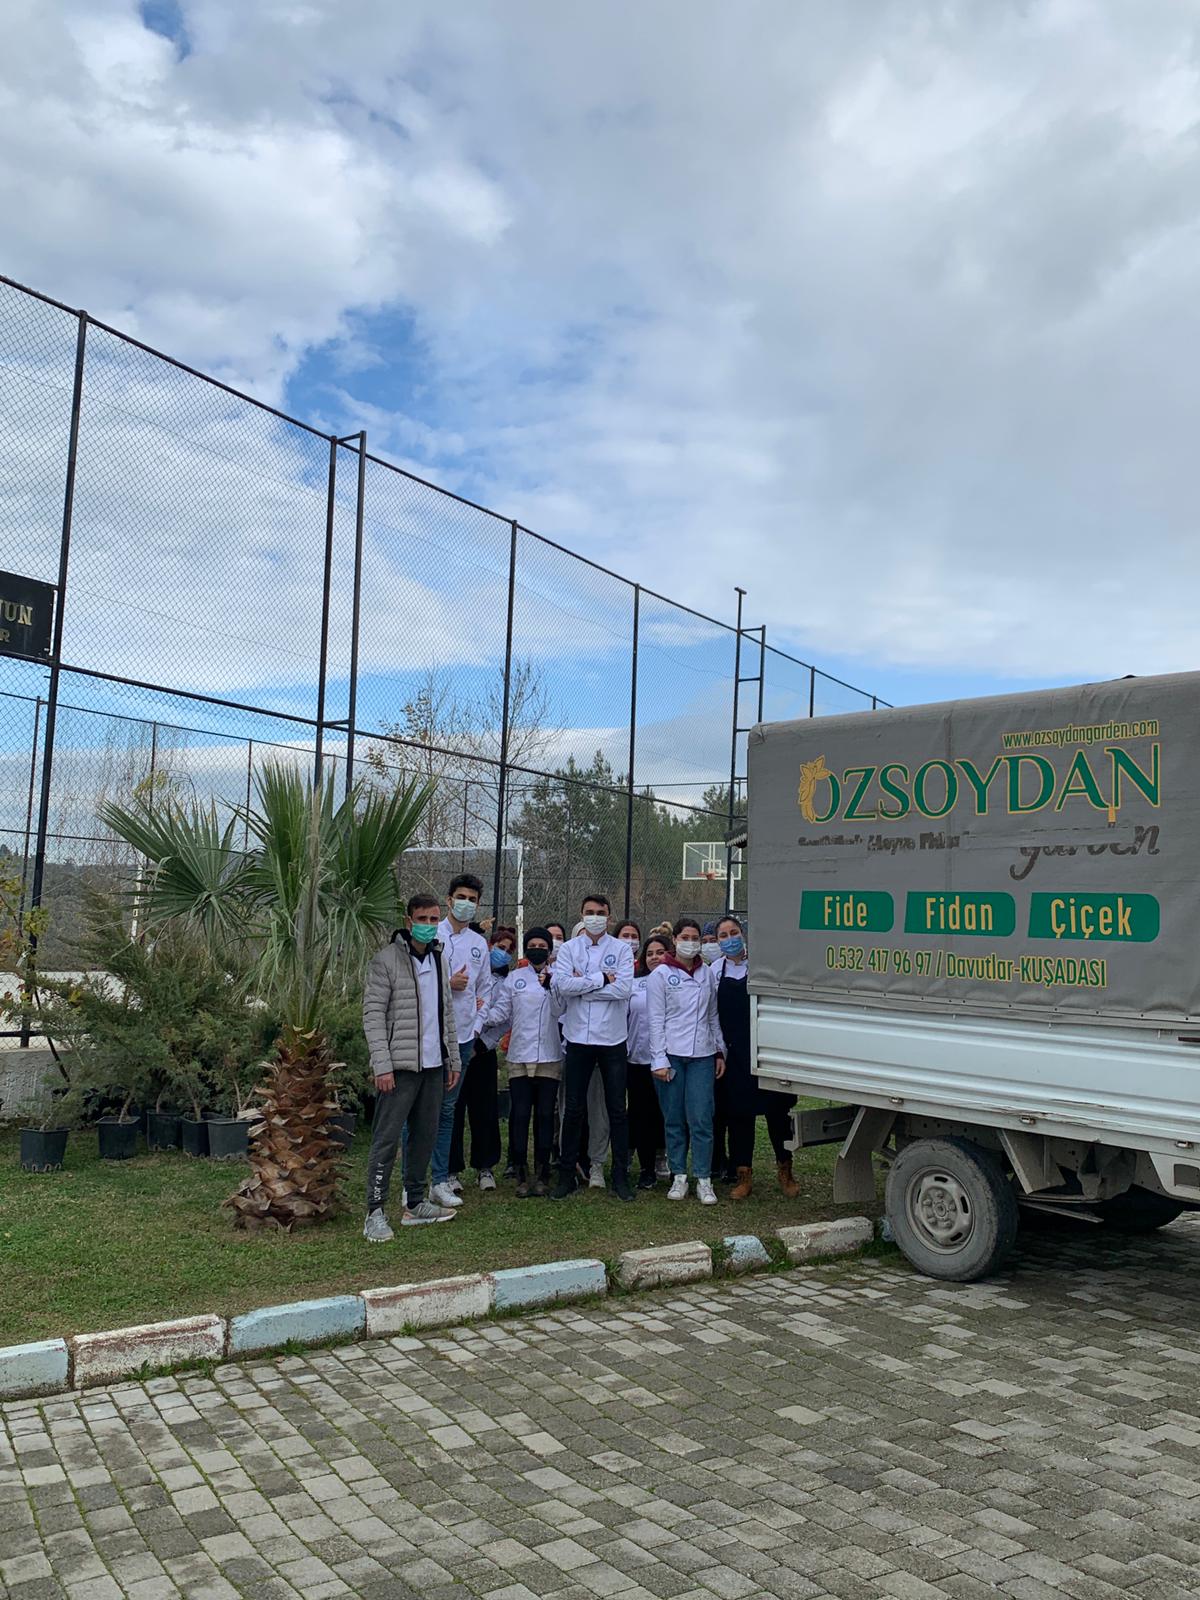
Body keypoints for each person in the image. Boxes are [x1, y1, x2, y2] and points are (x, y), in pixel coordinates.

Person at [361, 894, 460, 1239]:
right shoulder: (386, 961)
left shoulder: (439, 959)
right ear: (408, 921)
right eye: (422, 919)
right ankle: (374, 1212)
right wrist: (382, 1065)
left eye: (434, 919)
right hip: (399, 1068)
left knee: (424, 1136)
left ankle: (415, 1203)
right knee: (386, 1140)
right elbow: (373, 1016)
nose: (428, 926)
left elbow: (447, 1013)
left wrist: (452, 1059)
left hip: (433, 1067)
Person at [549, 892, 635, 1201]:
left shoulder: (622, 949)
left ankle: (620, 1176)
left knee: (617, 1110)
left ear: (609, 917)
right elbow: (562, 985)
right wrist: (601, 979)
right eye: (590, 912)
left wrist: (583, 986)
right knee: (573, 1109)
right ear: (581, 915)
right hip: (577, 1039)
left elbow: (623, 989)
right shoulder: (569, 949)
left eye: (600, 912)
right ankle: (567, 1175)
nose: (595, 917)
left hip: (613, 1040)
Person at [712, 914, 800, 1199]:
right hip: (735, 1055)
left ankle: (786, 1171)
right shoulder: (715, 972)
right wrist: (719, 1050)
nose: (729, 939)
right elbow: (711, 1016)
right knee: (740, 1117)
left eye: (733, 933)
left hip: (767, 1050)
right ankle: (744, 1176)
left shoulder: (762, 965)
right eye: (723, 935)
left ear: (743, 934)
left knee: (777, 1114)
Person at [479, 927, 564, 1195]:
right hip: (519, 1056)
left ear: (549, 950)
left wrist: (551, 987)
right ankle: (521, 1171)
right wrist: (478, 1011)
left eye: (542, 946)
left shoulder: (559, 977)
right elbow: (502, 1014)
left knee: (545, 1115)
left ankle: (543, 1171)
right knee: (520, 1114)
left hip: (549, 1055)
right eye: (533, 945)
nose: (537, 950)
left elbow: (562, 1010)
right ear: (526, 949)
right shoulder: (514, 979)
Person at [646, 916, 725, 1204]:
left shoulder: (707, 974)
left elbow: (712, 1015)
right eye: (685, 938)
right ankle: (679, 1175)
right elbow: (655, 1020)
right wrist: (658, 1059)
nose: (690, 943)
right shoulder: (661, 975)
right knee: (674, 1118)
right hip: (671, 1055)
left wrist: (719, 1050)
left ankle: (703, 1178)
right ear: (675, 940)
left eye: (695, 938)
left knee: (701, 1117)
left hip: (702, 1055)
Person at [430, 874, 490, 1210]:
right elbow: (416, 983)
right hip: (430, 1035)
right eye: (461, 897)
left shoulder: (479, 944)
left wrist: (477, 1027)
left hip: (464, 1038)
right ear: (449, 899)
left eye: (472, 899)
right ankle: (414, 1180)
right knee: (421, 1109)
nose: (466, 903)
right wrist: (447, 983)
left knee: (447, 1109)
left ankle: (440, 1178)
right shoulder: (431, 935)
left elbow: (485, 990)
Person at [450, 924, 515, 1193]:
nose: (503, 953)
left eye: (509, 950)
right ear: (488, 946)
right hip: (457, 1045)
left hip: (483, 1051)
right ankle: (451, 1170)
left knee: (485, 1110)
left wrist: (482, 1038)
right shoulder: (467, 969)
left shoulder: (506, 982)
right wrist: (472, 1010)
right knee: (453, 1109)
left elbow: (504, 1017)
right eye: (500, 947)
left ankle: (485, 1167)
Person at [626, 931, 670, 1188]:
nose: (654, 957)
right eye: (650, 953)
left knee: (665, 1113)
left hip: (669, 1060)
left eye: (660, 952)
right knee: (641, 1114)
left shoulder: (677, 982)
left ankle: (663, 1157)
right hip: (638, 1060)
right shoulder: (634, 984)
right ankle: (646, 1169)